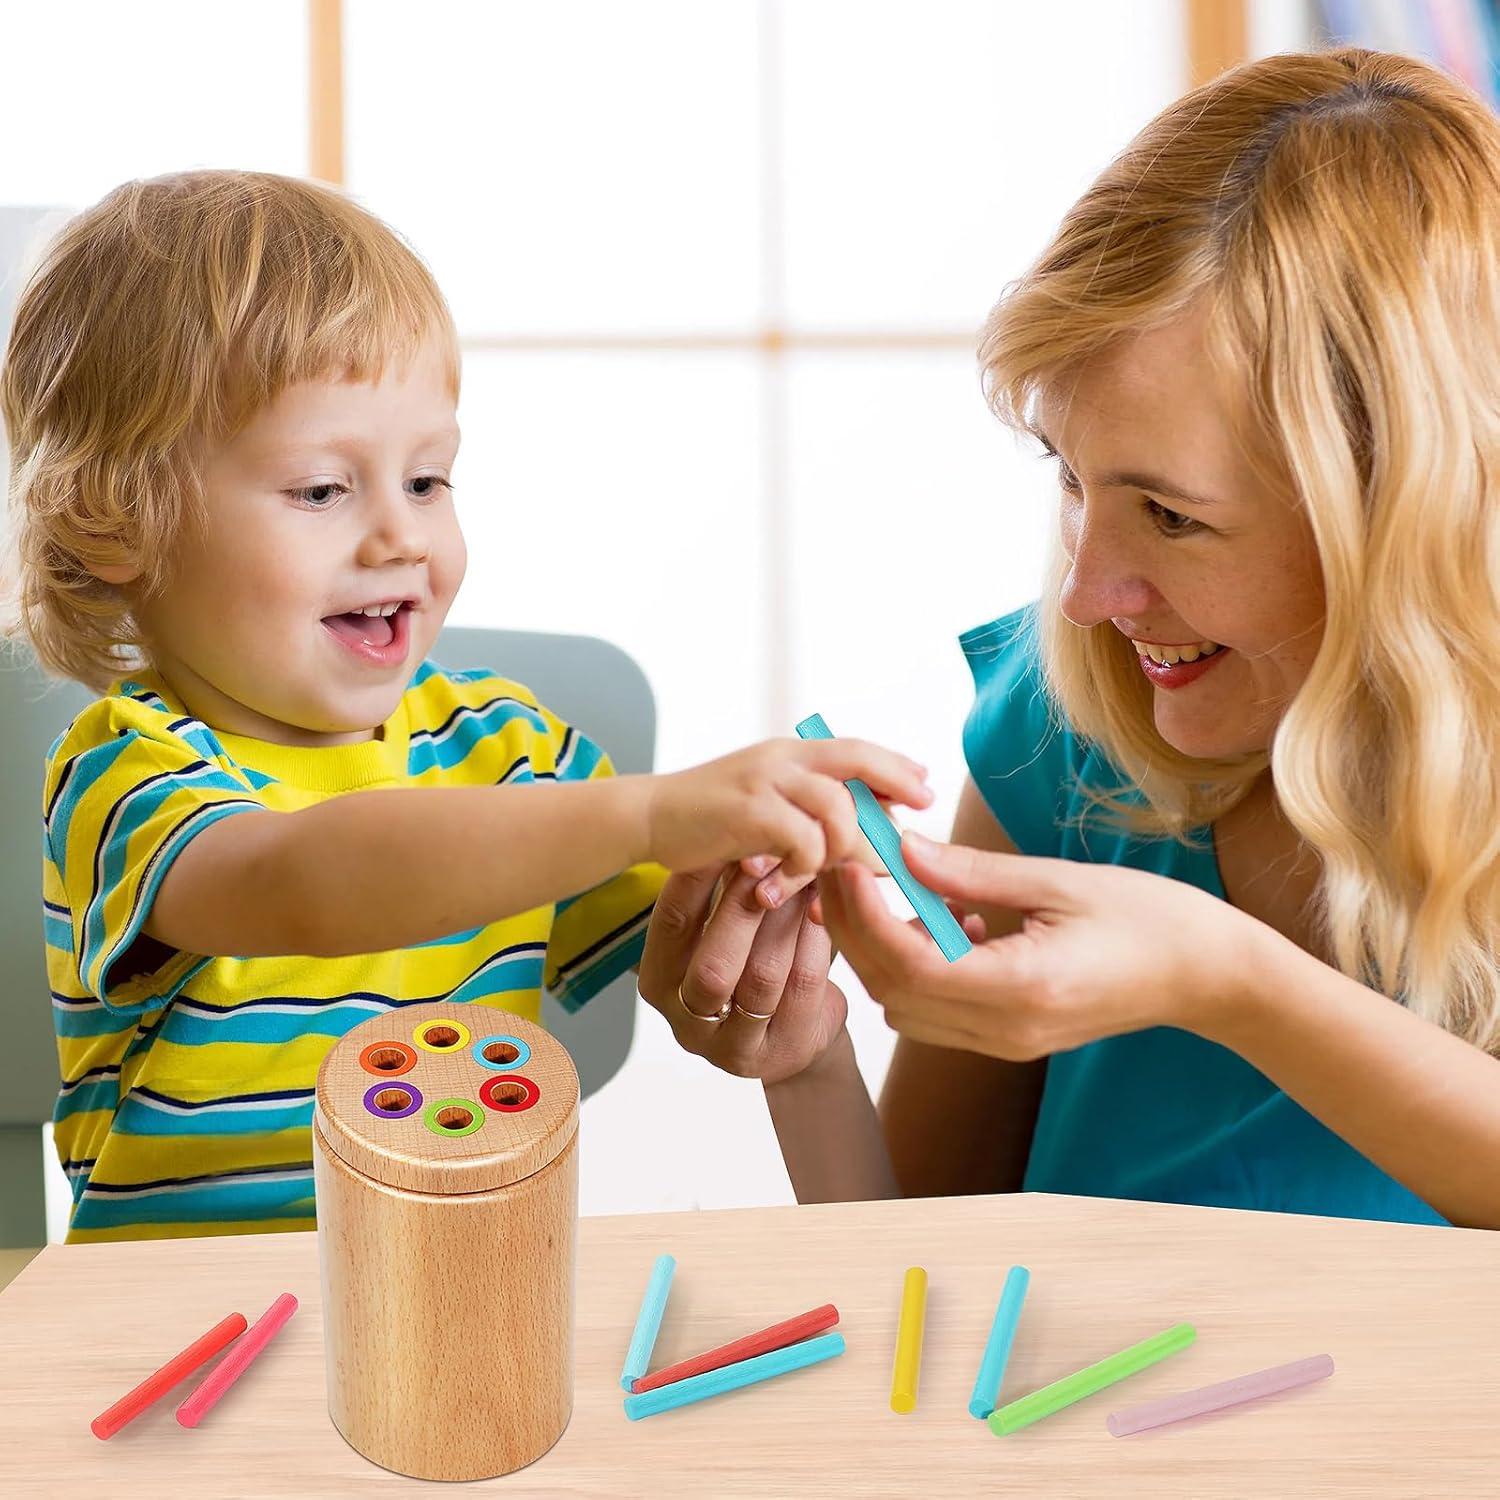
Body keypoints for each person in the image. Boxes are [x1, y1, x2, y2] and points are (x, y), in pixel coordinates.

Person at [640, 47, 1500, 1230]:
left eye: (1174, 517)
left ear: (1406, 511)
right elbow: (930, 1256)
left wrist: (1228, 981)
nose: (1091, 596)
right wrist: (807, 1064)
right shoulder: (1070, 732)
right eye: (1071, 478)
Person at [1, 169, 931, 1242]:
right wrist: (651, 811)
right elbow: (303, 880)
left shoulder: (506, 750)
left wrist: (797, 973)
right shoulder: (129, 766)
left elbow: (738, 976)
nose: (401, 537)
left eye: (429, 480)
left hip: (476, 1332)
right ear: (115, 524)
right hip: (189, 1364)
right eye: (320, 489)